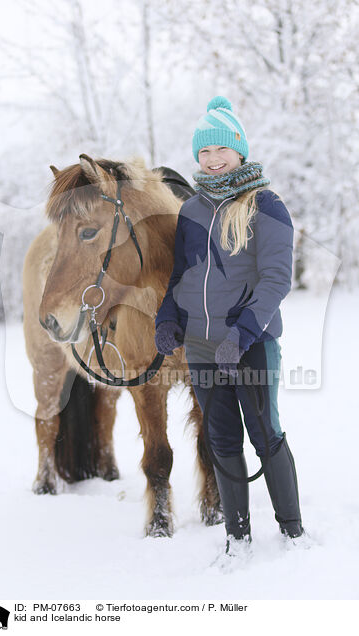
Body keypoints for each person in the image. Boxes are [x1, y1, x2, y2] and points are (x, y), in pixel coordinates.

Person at [154, 96, 305, 559]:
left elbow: (277, 278)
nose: (213, 160)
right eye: (204, 152)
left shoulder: (266, 205)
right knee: (219, 437)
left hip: (252, 343)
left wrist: (241, 335)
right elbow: (182, 274)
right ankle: (237, 539)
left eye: (221, 150)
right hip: (201, 348)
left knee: (265, 434)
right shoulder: (192, 211)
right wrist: (168, 316)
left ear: (239, 150)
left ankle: (292, 533)